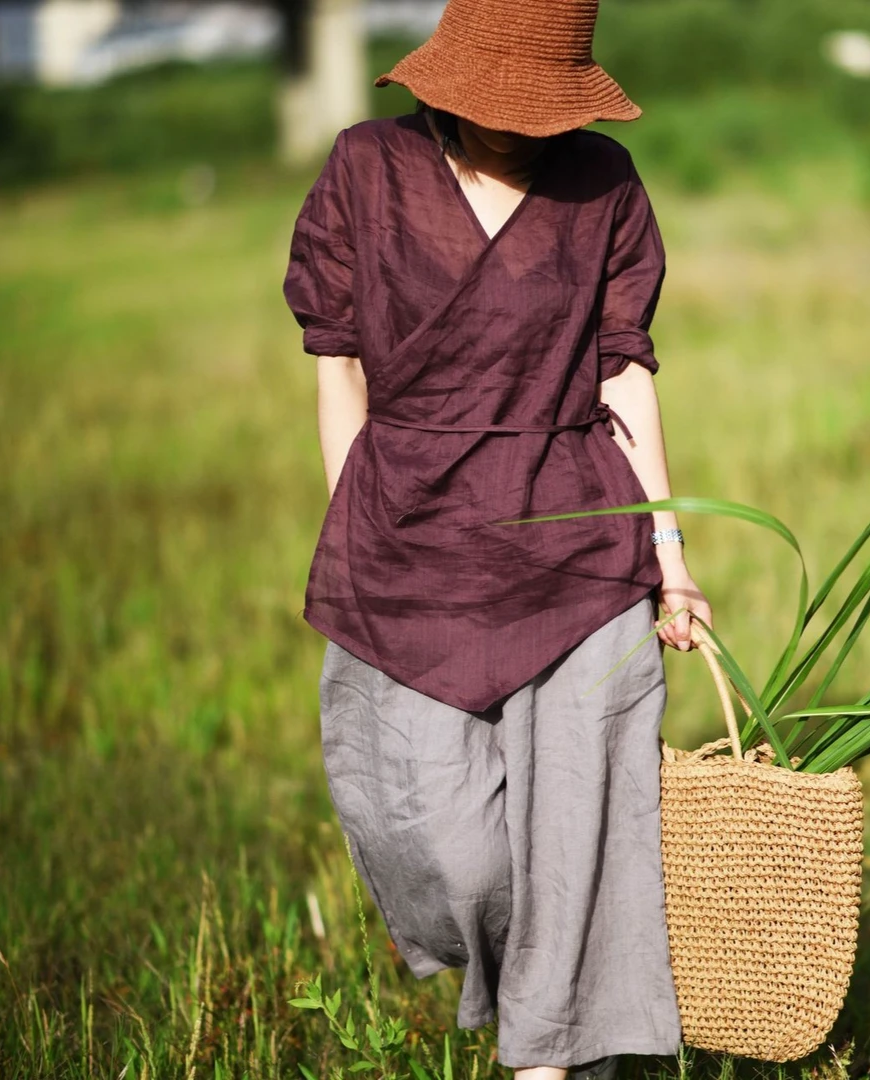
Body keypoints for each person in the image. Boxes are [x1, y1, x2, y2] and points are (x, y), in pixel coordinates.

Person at [282, 0, 713, 1075]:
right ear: (443, 77)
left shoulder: (603, 183)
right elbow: (337, 363)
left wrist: (670, 559)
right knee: (455, 852)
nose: (515, 125)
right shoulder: (365, 171)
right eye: (493, 102)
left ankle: (549, 1056)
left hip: (582, 544)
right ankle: (539, 999)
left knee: (582, 841)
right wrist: (364, 522)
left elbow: (624, 372)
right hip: (410, 534)